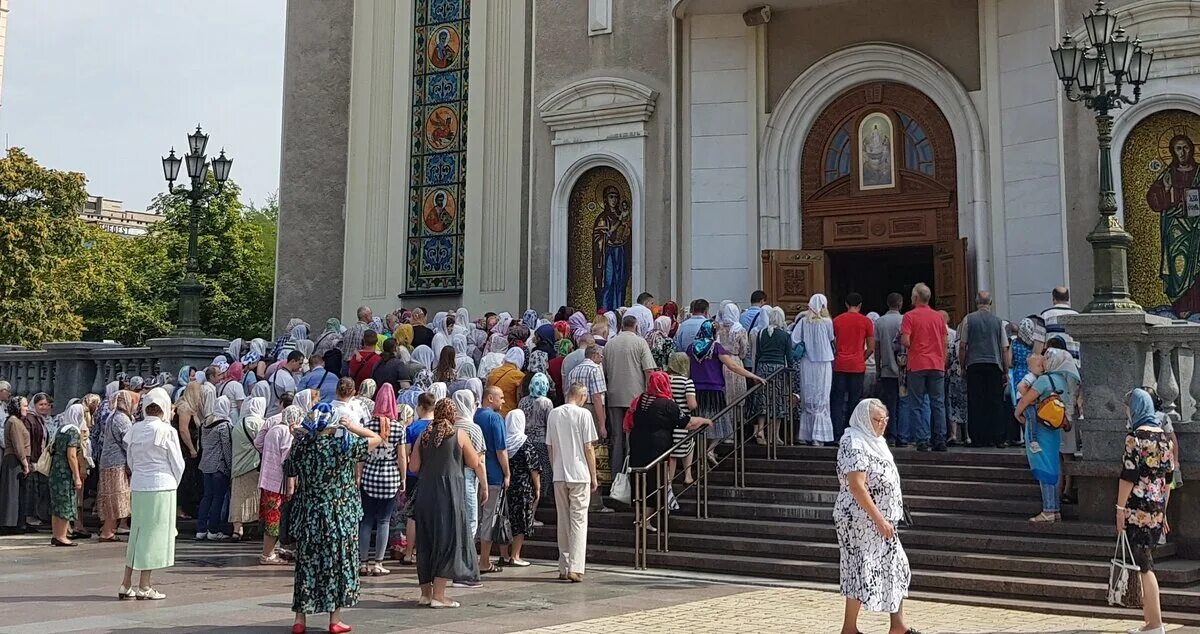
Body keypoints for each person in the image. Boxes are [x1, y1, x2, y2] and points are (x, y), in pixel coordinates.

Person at [287, 403, 380, 634]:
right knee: (337, 566)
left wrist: (301, 434)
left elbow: (289, 469)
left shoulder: (303, 448)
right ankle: (334, 619)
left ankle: (300, 619)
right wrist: (352, 427)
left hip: (309, 516)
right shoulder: (343, 446)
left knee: (306, 566)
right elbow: (377, 438)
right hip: (339, 517)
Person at [834, 399, 915, 634]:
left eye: (885, 420)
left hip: (884, 521)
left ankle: (898, 626)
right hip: (860, 520)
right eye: (877, 420)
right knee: (860, 569)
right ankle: (849, 628)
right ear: (863, 419)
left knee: (897, 567)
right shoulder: (854, 441)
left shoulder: (877, 441)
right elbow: (857, 486)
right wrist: (879, 519)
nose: (882, 424)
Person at [409, 399, 483, 608]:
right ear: (452, 415)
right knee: (447, 540)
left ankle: (425, 593)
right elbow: (474, 462)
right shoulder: (458, 435)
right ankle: (439, 596)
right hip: (449, 493)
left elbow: (414, 466)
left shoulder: (423, 436)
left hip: (425, 493)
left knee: (426, 542)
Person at [1117, 389, 1175, 634]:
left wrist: (1119, 509)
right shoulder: (1164, 438)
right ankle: (1151, 622)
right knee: (1146, 562)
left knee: (1144, 566)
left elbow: (1128, 475)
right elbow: (1168, 479)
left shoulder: (1135, 438)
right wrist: (1163, 511)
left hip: (1136, 508)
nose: (1127, 411)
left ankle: (1154, 623)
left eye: (1128, 407)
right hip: (1156, 508)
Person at [119, 387, 185, 600]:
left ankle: (126, 582)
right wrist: (174, 482)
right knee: (153, 536)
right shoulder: (167, 431)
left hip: (139, 485)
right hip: (161, 485)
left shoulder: (136, 429)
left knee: (137, 533)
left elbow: (130, 460)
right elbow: (178, 463)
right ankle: (144, 585)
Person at [626, 371, 713, 526]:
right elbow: (687, 423)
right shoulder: (667, 404)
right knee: (655, 482)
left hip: (637, 444)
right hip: (657, 448)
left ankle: (639, 517)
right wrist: (704, 420)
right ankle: (644, 521)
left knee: (640, 481)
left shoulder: (641, 399)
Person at [1013, 348, 1080, 523]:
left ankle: (1048, 509)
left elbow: (1025, 400)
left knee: (1043, 469)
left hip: (1040, 431)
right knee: (1053, 468)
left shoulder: (1043, 380)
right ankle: (1054, 509)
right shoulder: (1062, 381)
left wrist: (1017, 413)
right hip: (1053, 431)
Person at [546, 384, 599, 582]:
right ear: (582, 396)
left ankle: (563, 565)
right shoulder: (584, 414)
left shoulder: (554, 413)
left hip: (559, 472)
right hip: (579, 472)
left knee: (563, 519)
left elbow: (550, 446)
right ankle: (576, 567)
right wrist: (594, 475)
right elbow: (589, 448)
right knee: (579, 519)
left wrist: (554, 468)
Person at [689, 319, 765, 453]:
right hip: (714, 389)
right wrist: (752, 376)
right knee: (720, 422)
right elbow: (732, 366)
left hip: (696, 389)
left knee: (700, 421)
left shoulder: (691, 347)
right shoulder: (716, 347)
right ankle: (710, 450)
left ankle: (701, 452)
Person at [602, 315, 657, 480]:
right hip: (635, 396)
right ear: (636, 326)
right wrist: (650, 393)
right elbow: (649, 371)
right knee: (633, 436)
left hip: (613, 396)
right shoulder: (640, 342)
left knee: (617, 437)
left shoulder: (610, 344)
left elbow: (604, 372)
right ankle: (632, 476)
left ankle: (616, 476)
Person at [359, 385, 406, 577]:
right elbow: (402, 456)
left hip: (370, 476)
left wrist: (358, 476)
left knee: (366, 520)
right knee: (384, 520)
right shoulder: (398, 427)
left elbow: (361, 454)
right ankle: (378, 562)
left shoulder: (368, 426)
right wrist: (403, 478)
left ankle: (363, 562)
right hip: (390, 478)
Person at [957, 292, 1011, 448]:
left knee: (976, 402)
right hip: (994, 364)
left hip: (974, 364)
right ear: (991, 302)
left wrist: (962, 365)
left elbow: (962, 345)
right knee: (995, 402)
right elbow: (1004, 348)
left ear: (976, 302)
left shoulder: (968, 319)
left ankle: (978, 438)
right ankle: (998, 438)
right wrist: (1006, 370)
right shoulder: (998, 322)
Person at [900, 283, 948, 452]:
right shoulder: (938, 317)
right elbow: (945, 342)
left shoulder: (909, 316)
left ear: (915, 298)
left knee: (917, 403)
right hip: (937, 363)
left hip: (918, 363)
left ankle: (922, 439)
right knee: (938, 403)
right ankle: (940, 438)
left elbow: (905, 340)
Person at [450, 389, 487, 589]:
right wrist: (485, 485)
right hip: (468, 477)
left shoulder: (450, 426)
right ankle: (465, 567)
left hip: (451, 477)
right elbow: (479, 461)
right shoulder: (473, 428)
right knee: (471, 522)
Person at [256, 405, 300, 565]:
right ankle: (267, 554)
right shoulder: (287, 432)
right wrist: (291, 486)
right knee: (274, 518)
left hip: (267, 479)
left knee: (269, 517)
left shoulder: (273, 429)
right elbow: (287, 462)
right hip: (278, 483)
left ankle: (270, 551)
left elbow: (258, 443)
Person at [474, 387, 510, 573]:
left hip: (474, 475)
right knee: (489, 517)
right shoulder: (495, 418)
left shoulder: (474, 416)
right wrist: (507, 472)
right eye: (501, 398)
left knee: (475, 518)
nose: (503, 401)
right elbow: (501, 449)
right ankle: (484, 560)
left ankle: (472, 557)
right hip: (493, 474)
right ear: (490, 398)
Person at [831, 292, 875, 440]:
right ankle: (852, 432)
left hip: (840, 364)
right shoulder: (866, 321)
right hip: (857, 365)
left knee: (837, 400)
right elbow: (871, 347)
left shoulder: (837, 320)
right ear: (860, 305)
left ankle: (837, 433)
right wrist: (861, 358)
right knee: (854, 400)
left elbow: (833, 342)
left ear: (846, 304)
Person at [399, 393, 436, 566]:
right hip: (433, 474)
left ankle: (408, 553)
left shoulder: (412, 428)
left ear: (420, 407)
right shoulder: (438, 427)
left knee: (412, 516)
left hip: (414, 475)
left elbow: (405, 455)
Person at [795, 294, 836, 446]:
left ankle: (805, 434)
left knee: (808, 395)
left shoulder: (803, 322)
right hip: (823, 362)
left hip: (807, 361)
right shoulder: (827, 322)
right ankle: (818, 436)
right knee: (822, 395)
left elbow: (794, 339)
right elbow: (831, 338)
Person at [97, 391, 135, 542]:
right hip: (117, 462)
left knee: (109, 497)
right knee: (116, 497)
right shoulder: (122, 419)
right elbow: (128, 443)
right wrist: (132, 461)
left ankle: (108, 529)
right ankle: (107, 531)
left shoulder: (112, 416)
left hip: (107, 461)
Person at [500, 408, 535, 567]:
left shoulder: (503, 441)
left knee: (505, 519)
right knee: (520, 520)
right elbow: (534, 467)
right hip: (523, 485)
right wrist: (538, 487)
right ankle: (516, 555)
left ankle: (504, 554)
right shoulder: (525, 442)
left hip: (506, 485)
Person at [752, 307, 791, 445]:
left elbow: (757, 355)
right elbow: (789, 356)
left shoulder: (761, 333)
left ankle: (761, 431)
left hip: (763, 368)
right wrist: (790, 372)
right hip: (778, 370)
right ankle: (775, 435)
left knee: (763, 400)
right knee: (778, 401)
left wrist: (755, 372)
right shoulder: (785, 335)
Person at [518, 373, 553, 525]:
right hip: (541, 442)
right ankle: (533, 511)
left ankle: (528, 512)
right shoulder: (546, 403)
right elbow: (550, 423)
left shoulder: (523, 401)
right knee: (540, 475)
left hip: (524, 441)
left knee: (527, 477)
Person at [228, 395, 265, 542]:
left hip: (238, 467)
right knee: (256, 498)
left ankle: (237, 529)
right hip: (254, 466)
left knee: (238, 499)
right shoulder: (260, 424)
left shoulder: (238, 423)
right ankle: (257, 527)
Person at [49, 402, 86, 546]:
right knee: (66, 503)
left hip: (56, 470)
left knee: (56, 504)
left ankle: (56, 534)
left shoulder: (61, 429)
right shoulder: (73, 432)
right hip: (65, 472)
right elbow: (71, 455)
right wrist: (77, 476)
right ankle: (62, 536)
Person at [197, 396, 233, 541]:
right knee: (218, 499)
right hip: (219, 466)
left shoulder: (205, 423)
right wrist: (230, 467)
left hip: (205, 465)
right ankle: (213, 530)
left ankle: (201, 529)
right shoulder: (224, 425)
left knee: (207, 497)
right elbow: (227, 448)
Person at [874, 293, 905, 444]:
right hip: (904, 369)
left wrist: (878, 368)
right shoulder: (905, 320)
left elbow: (877, 347)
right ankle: (903, 434)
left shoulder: (880, 322)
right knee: (904, 402)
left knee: (890, 403)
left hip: (886, 368)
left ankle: (891, 435)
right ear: (900, 304)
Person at [665, 353, 699, 484]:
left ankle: (669, 481)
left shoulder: (666, 379)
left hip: (668, 422)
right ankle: (688, 475)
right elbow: (691, 405)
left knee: (671, 453)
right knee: (689, 446)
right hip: (683, 422)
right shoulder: (687, 382)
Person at [715, 302, 750, 420]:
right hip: (735, 361)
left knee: (725, 396)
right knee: (737, 396)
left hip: (721, 362)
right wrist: (739, 356)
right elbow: (744, 350)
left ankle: (726, 431)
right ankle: (736, 427)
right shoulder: (740, 330)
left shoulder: (719, 329)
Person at [1, 397, 30, 533]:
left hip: (16, 459)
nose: (27, 408)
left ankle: (16, 522)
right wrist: (25, 463)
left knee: (16, 492)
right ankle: (9, 523)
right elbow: (18, 445)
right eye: (24, 406)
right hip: (14, 460)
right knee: (11, 492)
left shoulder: (17, 421)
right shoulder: (13, 421)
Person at [23, 393, 52, 527]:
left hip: (41, 459)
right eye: (41, 404)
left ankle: (38, 513)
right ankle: (30, 516)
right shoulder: (30, 419)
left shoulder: (42, 419)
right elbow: (28, 440)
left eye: (46, 404)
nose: (44, 407)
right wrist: (29, 459)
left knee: (39, 488)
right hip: (33, 459)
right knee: (31, 489)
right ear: (34, 405)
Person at [486, 348, 525, 418]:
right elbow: (519, 398)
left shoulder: (493, 371)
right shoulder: (519, 376)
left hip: (490, 412)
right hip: (508, 414)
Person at [266, 352, 304, 417]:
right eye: (300, 363)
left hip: (268, 413)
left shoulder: (275, 373)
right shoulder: (288, 379)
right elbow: (289, 402)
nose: (300, 366)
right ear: (293, 361)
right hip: (278, 415)